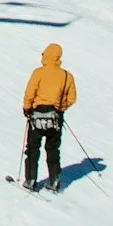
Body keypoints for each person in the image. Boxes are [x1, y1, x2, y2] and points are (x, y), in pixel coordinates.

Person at [21, 42, 77, 191]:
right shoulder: (67, 76)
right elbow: (72, 98)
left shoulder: (38, 73)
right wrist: (60, 108)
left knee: (33, 148)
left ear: (45, 55)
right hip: (56, 118)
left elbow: (29, 93)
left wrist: (27, 108)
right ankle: (54, 181)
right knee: (53, 149)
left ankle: (31, 180)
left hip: (36, 116)